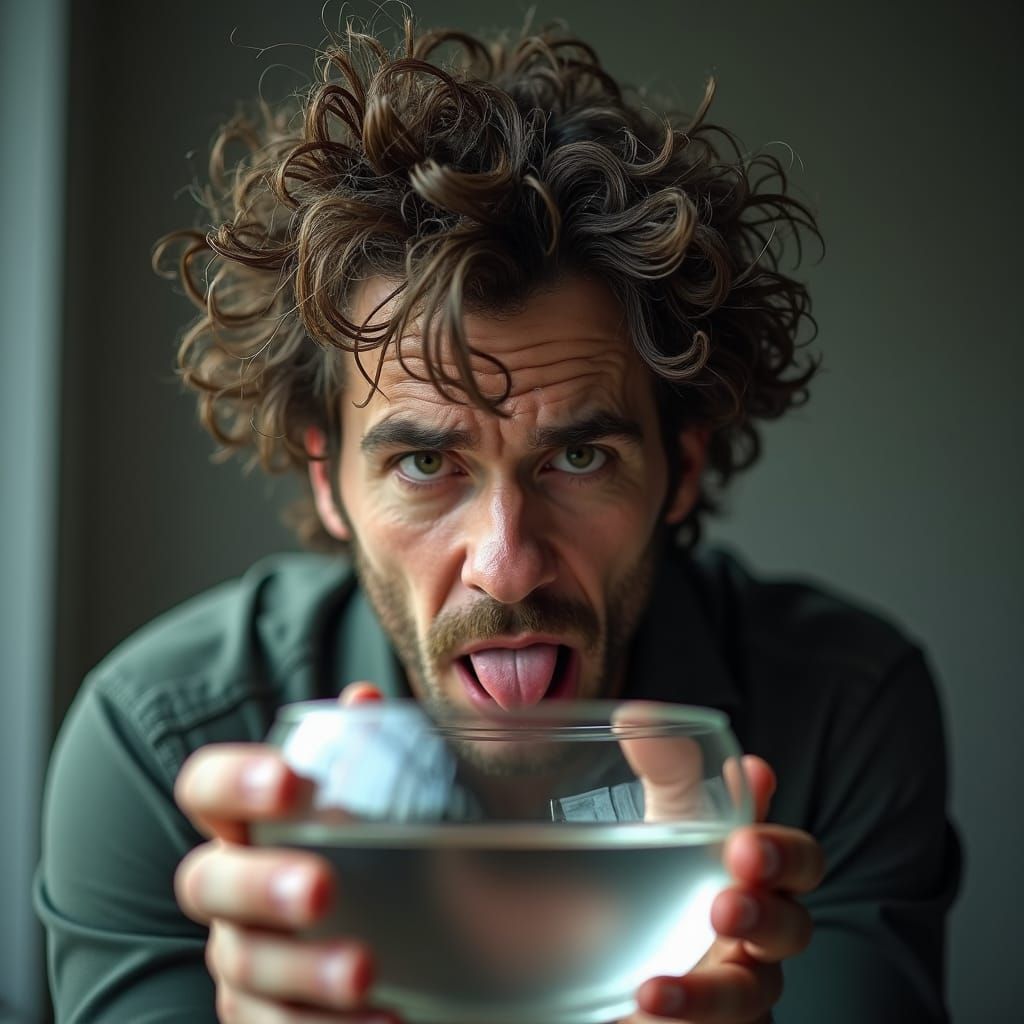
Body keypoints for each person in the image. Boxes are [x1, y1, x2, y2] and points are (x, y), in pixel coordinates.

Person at [35, 16, 960, 1024]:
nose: (507, 563)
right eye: (427, 462)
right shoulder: (158, 748)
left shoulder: (841, 712)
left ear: (681, 467)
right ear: (327, 482)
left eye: (577, 455)